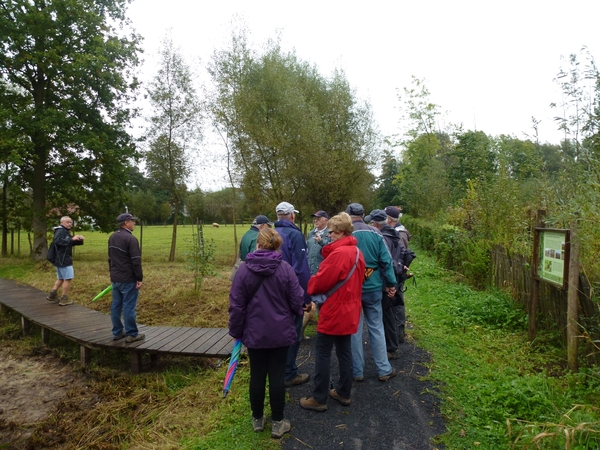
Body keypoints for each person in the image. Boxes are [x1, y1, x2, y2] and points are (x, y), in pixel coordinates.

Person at [228, 227, 305, 438]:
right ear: (277, 246)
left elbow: (236, 305)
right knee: (277, 377)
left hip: (254, 334)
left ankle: (257, 419)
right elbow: (297, 300)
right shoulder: (286, 269)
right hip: (280, 333)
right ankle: (278, 422)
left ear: (258, 244)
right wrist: (298, 311)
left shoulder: (243, 271)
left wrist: (236, 331)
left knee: (257, 375)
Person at [300, 212, 366, 412]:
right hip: (351, 309)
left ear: (341, 232)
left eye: (331, 232)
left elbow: (318, 283)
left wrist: (309, 286)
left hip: (334, 309)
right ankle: (343, 393)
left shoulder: (338, 255)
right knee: (344, 351)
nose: (329, 236)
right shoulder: (357, 252)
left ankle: (319, 398)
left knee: (322, 352)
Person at [346, 203, 398, 382]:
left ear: (348, 214)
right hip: (374, 287)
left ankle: (357, 371)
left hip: (352, 288)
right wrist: (391, 283)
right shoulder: (375, 233)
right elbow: (386, 260)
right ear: (363, 214)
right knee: (376, 327)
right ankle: (384, 369)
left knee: (355, 329)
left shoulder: (345, 233)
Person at [274, 201, 313, 387]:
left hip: (270, 292)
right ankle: (289, 373)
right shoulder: (295, 235)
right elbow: (302, 269)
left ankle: (276, 369)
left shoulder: (269, 233)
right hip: (290, 292)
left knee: (276, 331)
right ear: (291, 216)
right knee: (294, 333)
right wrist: (306, 298)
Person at [368, 209, 404, 359]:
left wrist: (388, 284)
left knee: (386, 315)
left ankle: (390, 347)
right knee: (389, 313)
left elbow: (385, 262)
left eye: (371, 222)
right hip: (394, 277)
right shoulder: (393, 234)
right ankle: (392, 345)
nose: (370, 224)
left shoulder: (383, 238)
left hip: (385, 281)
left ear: (376, 223)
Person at [108, 213, 144, 343]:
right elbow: (136, 260)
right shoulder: (130, 239)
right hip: (128, 279)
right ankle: (132, 334)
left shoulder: (112, 237)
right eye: (132, 221)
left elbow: (110, 258)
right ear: (126, 223)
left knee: (116, 305)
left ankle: (117, 332)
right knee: (129, 306)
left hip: (115, 278)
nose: (134, 223)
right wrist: (139, 278)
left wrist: (112, 274)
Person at [385, 205, 413, 343]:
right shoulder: (396, 231)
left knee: (397, 301)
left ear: (389, 219)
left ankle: (399, 333)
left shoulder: (399, 234)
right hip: (396, 270)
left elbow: (398, 255)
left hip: (397, 272)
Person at [46, 216, 84, 306]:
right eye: (68, 222)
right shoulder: (60, 231)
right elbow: (58, 241)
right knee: (68, 278)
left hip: (60, 259)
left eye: (71, 222)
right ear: (62, 223)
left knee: (61, 278)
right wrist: (71, 239)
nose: (70, 224)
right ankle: (64, 298)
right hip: (63, 259)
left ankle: (52, 295)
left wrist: (79, 240)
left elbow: (69, 242)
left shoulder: (64, 231)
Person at [307, 210, 331, 275]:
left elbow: (332, 248)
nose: (316, 221)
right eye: (315, 219)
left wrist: (321, 242)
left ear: (326, 220)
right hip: (310, 270)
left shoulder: (331, 233)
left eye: (319, 218)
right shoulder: (311, 233)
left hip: (323, 271)